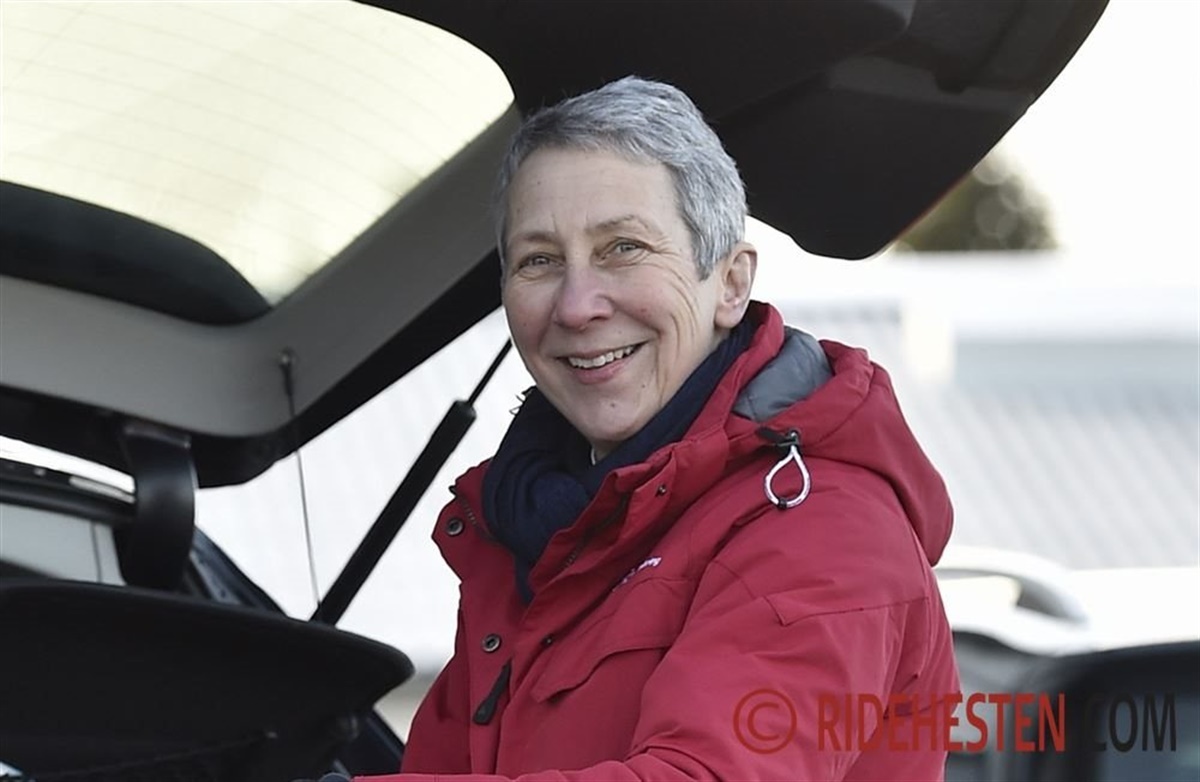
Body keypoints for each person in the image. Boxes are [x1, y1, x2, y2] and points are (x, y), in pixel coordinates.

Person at [362, 76, 958, 781]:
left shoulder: (825, 529)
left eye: (623, 248)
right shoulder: (532, 529)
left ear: (730, 284)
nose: (577, 305)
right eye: (539, 260)